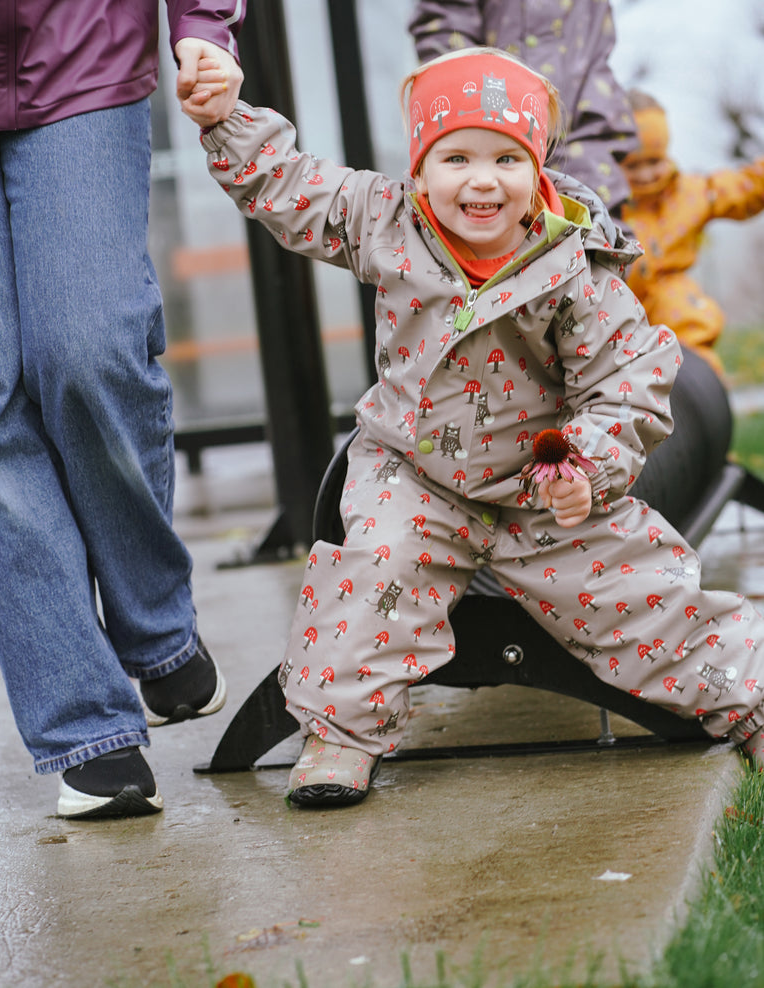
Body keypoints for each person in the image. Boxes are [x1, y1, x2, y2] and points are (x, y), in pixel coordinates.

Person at [198, 46, 764, 808]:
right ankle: (341, 734)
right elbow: (290, 187)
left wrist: (588, 466)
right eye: (455, 156)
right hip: (415, 474)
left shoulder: (570, 266)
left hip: (544, 481)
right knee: (375, 571)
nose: (482, 180)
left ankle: (747, 696)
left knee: (642, 591)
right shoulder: (383, 221)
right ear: (421, 168)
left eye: (506, 158)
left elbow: (627, 379)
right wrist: (224, 119)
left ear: (538, 170)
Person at [0, 1, 244, 820]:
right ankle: (87, 729)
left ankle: (155, 625)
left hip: (77, 42)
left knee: (88, 348)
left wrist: (204, 26)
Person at [407, 0, 638, 226]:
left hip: (582, 126)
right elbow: (446, 25)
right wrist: (471, 104)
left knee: (597, 229)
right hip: (486, 115)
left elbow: (596, 44)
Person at [619, 89, 764, 376]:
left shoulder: (690, 193)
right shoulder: (606, 203)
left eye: (655, 161)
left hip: (670, 299)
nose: (646, 175)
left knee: (684, 308)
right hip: (616, 302)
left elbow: (741, 189)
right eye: (633, 165)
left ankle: (698, 378)